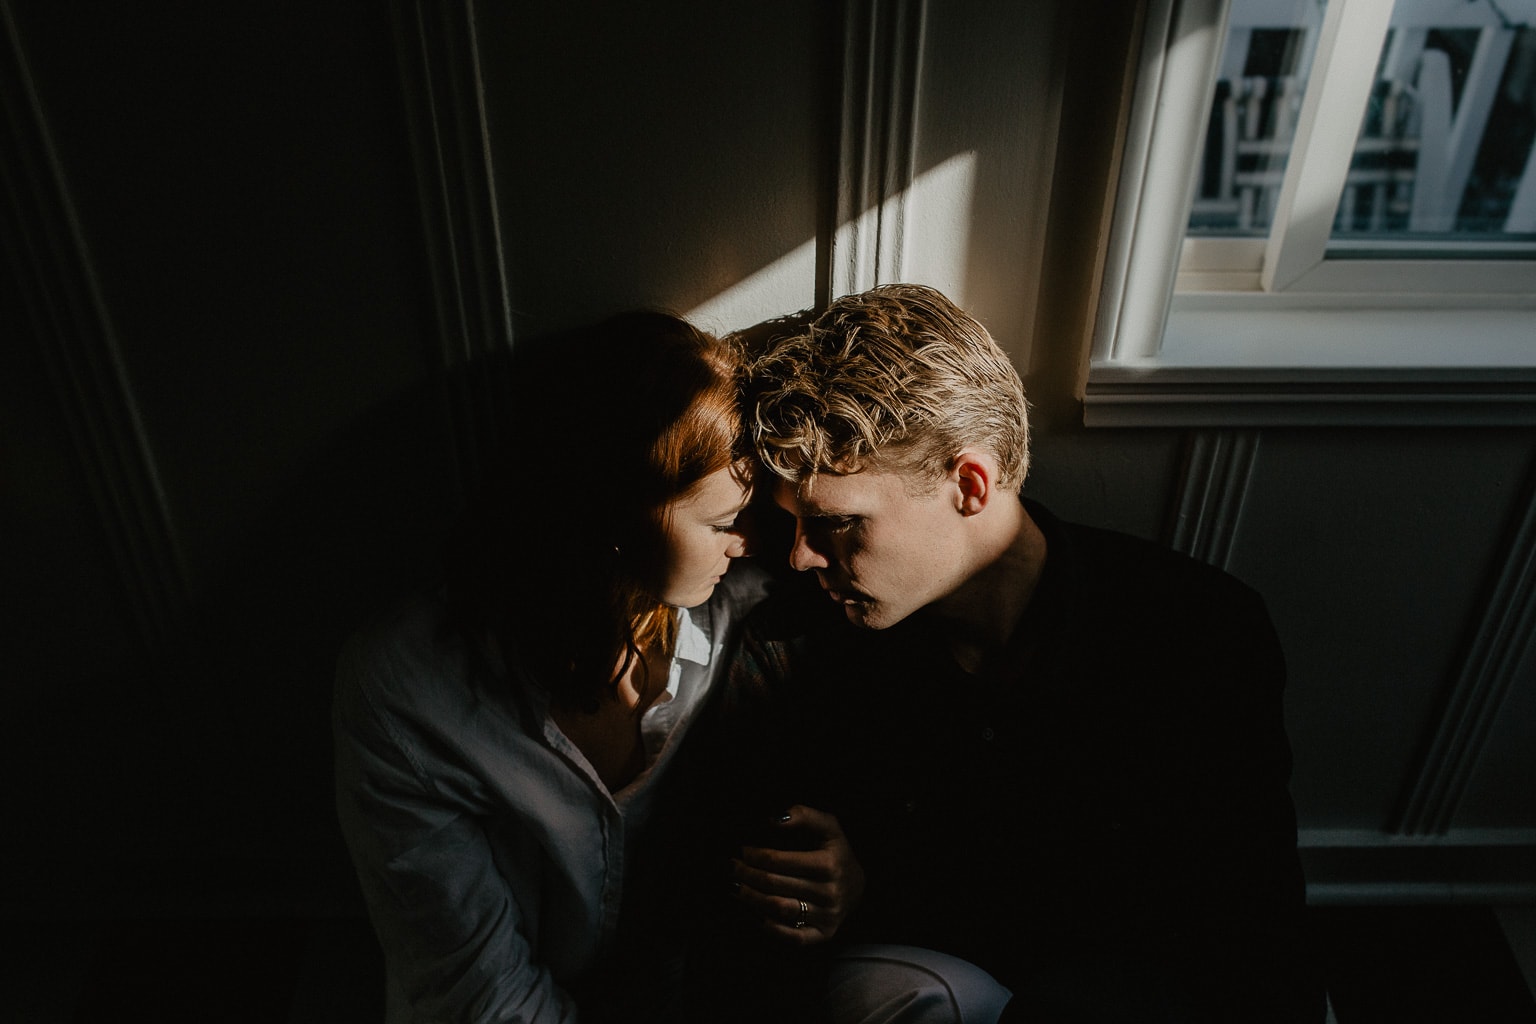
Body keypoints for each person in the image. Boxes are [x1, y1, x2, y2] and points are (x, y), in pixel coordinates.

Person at [657, 284, 1325, 1023]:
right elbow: (739, 895)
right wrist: (824, 890)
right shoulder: (794, 634)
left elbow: (1249, 924)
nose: (801, 557)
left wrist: (881, 882)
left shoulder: (1197, 634)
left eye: (838, 523)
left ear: (970, 484)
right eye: (792, 524)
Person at [333, 311, 819, 1023]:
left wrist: (842, 874)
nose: (750, 543)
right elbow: (477, 990)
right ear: (616, 515)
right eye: (722, 525)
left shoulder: (738, 613)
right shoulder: (408, 690)